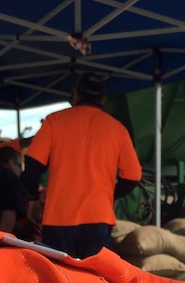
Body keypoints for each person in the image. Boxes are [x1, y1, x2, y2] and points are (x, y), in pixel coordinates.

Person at [21, 73, 143, 258]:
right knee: (94, 281)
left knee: (59, 280)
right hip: (98, 218)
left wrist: (32, 198)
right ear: (102, 98)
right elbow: (133, 176)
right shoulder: (117, 129)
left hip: (58, 218)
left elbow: (32, 163)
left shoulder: (54, 121)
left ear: (75, 94)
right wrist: (110, 194)